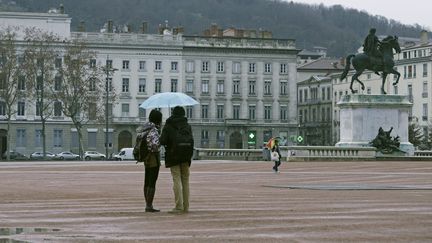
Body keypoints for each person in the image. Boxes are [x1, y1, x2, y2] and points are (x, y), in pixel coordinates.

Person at [160, 106, 194, 214]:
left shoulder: (169, 125)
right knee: (186, 181)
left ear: (173, 113)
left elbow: (162, 141)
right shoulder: (187, 126)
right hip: (186, 155)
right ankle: (186, 206)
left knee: (177, 180)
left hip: (173, 155)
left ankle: (178, 206)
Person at [136, 109, 162, 212]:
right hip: (153, 158)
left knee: (147, 181)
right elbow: (155, 145)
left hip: (146, 157)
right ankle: (149, 205)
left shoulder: (145, 128)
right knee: (152, 181)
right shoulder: (153, 130)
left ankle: (148, 203)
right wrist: (161, 140)